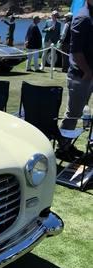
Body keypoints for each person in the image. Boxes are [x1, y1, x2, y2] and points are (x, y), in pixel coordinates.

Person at [56, 0, 93, 160]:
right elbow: (76, 51)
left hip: (88, 74)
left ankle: (69, 145)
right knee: (73, 114)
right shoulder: (83, 18)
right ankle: (62, 148)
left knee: (77, 112)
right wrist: (87, 71)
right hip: (81, 76)